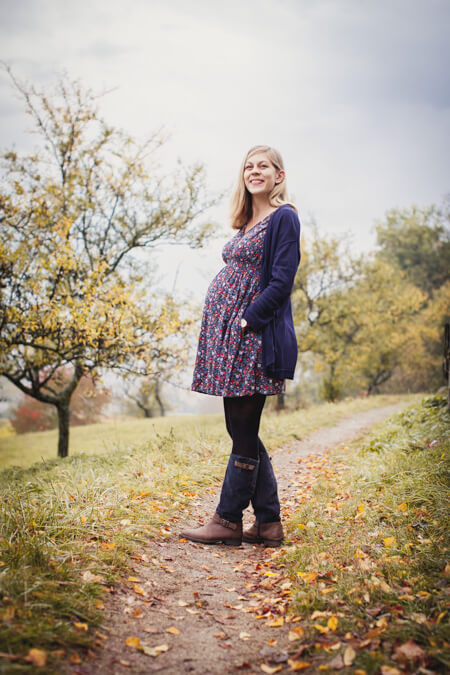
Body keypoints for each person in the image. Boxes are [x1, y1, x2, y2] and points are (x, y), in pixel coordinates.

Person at [181, 145, 301, 547]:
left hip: (252, 335)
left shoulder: (284, 218)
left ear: (278, 176)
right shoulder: (247, 222)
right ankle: (268, 523)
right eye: (248, 166)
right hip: (230, 335)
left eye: (263, 166)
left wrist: (248, 319)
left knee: (243, 428)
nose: (255, 171)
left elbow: (282, 280)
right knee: (241, 428)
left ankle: (228, 519)